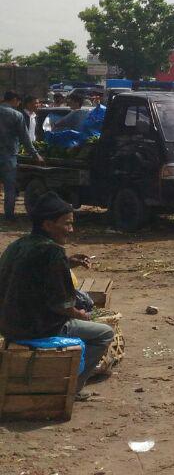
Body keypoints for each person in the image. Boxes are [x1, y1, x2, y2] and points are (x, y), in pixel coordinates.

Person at [0, 191, 115, 392]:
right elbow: (62, 304)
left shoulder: (18, 244)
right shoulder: (53, 252)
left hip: (8, 325)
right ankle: (72, 387)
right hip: (37, 328)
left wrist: (67, 263)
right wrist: (83, 315)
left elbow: (31, 271)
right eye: (66, 223)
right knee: (105, 333)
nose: (71, 229)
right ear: (47, 225)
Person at [1, 91, 41, 221]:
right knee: (10, 187)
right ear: (14, 100)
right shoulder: (17, 115)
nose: (18, 104)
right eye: (18, 102)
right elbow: (24, 137)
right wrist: (35, 154)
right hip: (8, 155)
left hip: (8, 154)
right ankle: (9, 216)